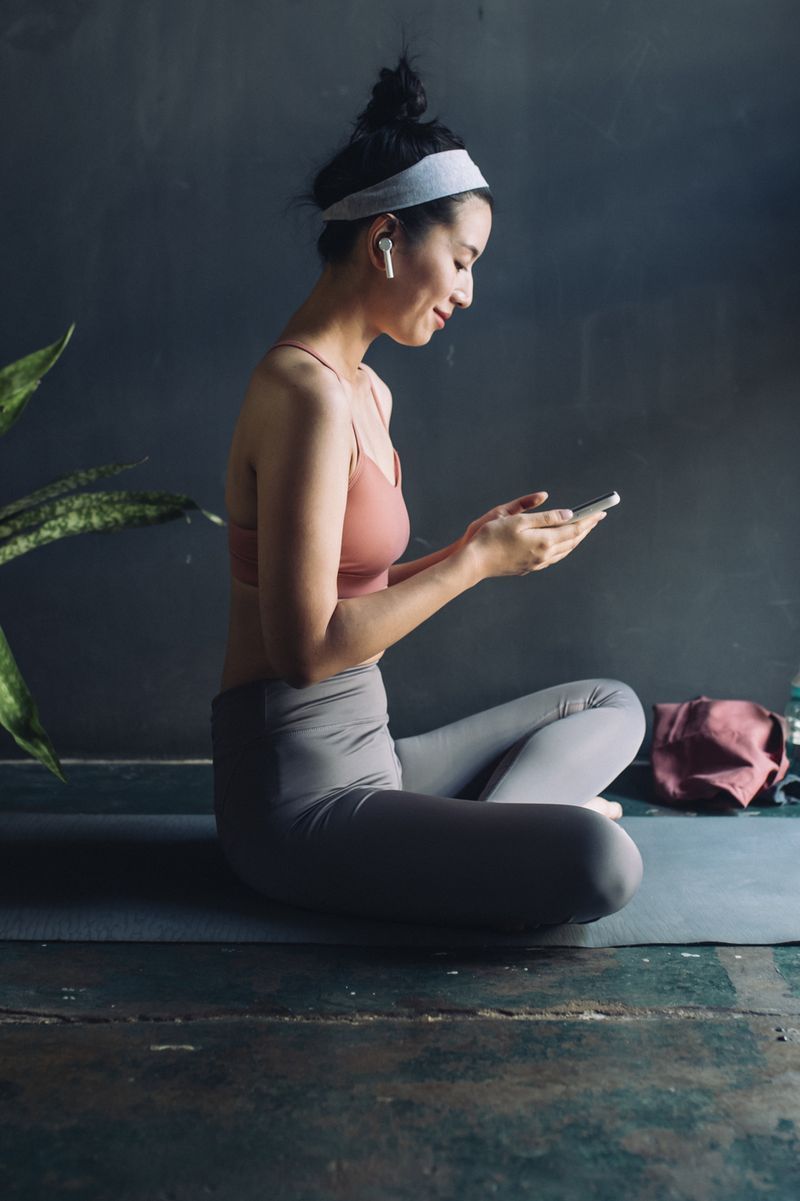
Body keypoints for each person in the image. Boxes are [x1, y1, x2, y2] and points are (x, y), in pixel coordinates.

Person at [210, 50, 645, 932]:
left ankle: (496, 831)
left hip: (375, 756)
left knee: (613, 705)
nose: (469, 291)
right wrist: (474, 565)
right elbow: (305, 651)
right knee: (602, 862)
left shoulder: (368, 389)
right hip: (299, 802)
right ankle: (521, 829)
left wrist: (463, 547)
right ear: (386, 242)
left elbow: (352, 586)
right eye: (462, 259)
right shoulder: (304, 396)